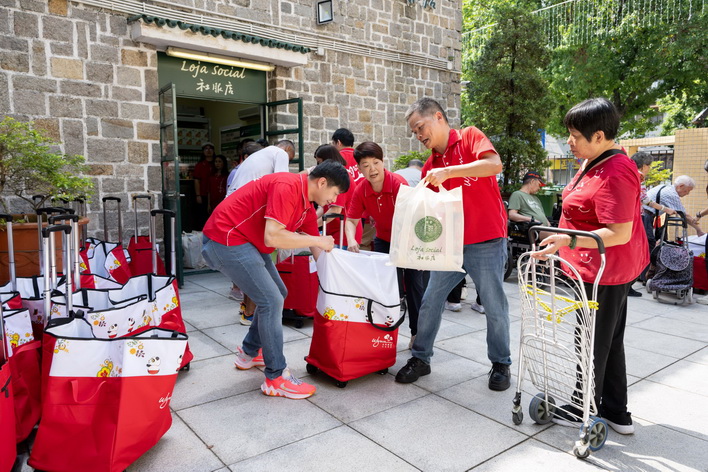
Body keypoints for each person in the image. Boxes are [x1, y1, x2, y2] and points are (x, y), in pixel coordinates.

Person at [531, 97, 648, 435]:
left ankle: (584, 405)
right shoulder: (593, 161)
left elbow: (618, 232)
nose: (569, 141)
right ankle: (616, 412)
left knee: (592, 342)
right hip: (594, 267)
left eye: (575, 135)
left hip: (606, 272)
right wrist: (561, 242)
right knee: (608, 339)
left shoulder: (615, 171)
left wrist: (566, 241)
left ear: (599, 136)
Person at [201, 160, 350, 400]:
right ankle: (276, 377)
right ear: (322, 182)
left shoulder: (306, 205)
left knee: (278, 294)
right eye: (334, 193)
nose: (333, 200)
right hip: (224, 239)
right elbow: (273, 237)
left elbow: (317, 248)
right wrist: (318, 240)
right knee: (271, 300)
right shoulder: (287, 185)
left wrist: (335, 283)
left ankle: (249, 353)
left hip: (246, 242)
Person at [395, 98, 512, 391]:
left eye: (420, 127)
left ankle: (501, 363)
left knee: (493, 304)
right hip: (449, 245)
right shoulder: (430, 165)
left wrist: (450, 172)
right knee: (431, 300)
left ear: (438, 117)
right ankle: (421, 357)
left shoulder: (470, 137)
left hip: (486, 239)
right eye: (414, 132)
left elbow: (494, 164)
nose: (418, 135)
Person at [345, 141, 426, 347]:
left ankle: (417, 334)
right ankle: (383, 332)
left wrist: (417, 251)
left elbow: (415, 218)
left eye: (376, 162)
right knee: (386, 288)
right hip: (383, 240)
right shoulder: (361, 189)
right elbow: (351, 220)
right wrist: (352, 239)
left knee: (414, 287)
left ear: (383, 162)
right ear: (359, 168)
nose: (372, 169)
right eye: (365, 165)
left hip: (407, 241)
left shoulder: (398, 184)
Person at [308, 144, 362, 247]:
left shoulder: (339, 177)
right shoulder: (333, 177)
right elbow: (323, 208)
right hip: (334, 230)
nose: (319, 166)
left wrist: (312, 227)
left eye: (320, 162)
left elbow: (335, 210)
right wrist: (309, 222)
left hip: (344, 233)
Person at [226, 140, 296, 197]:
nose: (287, 162)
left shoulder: (261, 153)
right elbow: (282, 184)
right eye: (289, 159)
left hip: (232, 198)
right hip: (242, 199)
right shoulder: (281, 152)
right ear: (288, 148)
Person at [193, 142, 215, 229]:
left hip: (215, 194)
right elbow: (196, 180)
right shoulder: (200, 165)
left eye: (210, 148)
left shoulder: (216, 163)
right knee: (203, 216)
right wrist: (198, 195)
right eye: (206, 149)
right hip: (203, 194)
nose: (208, 151)